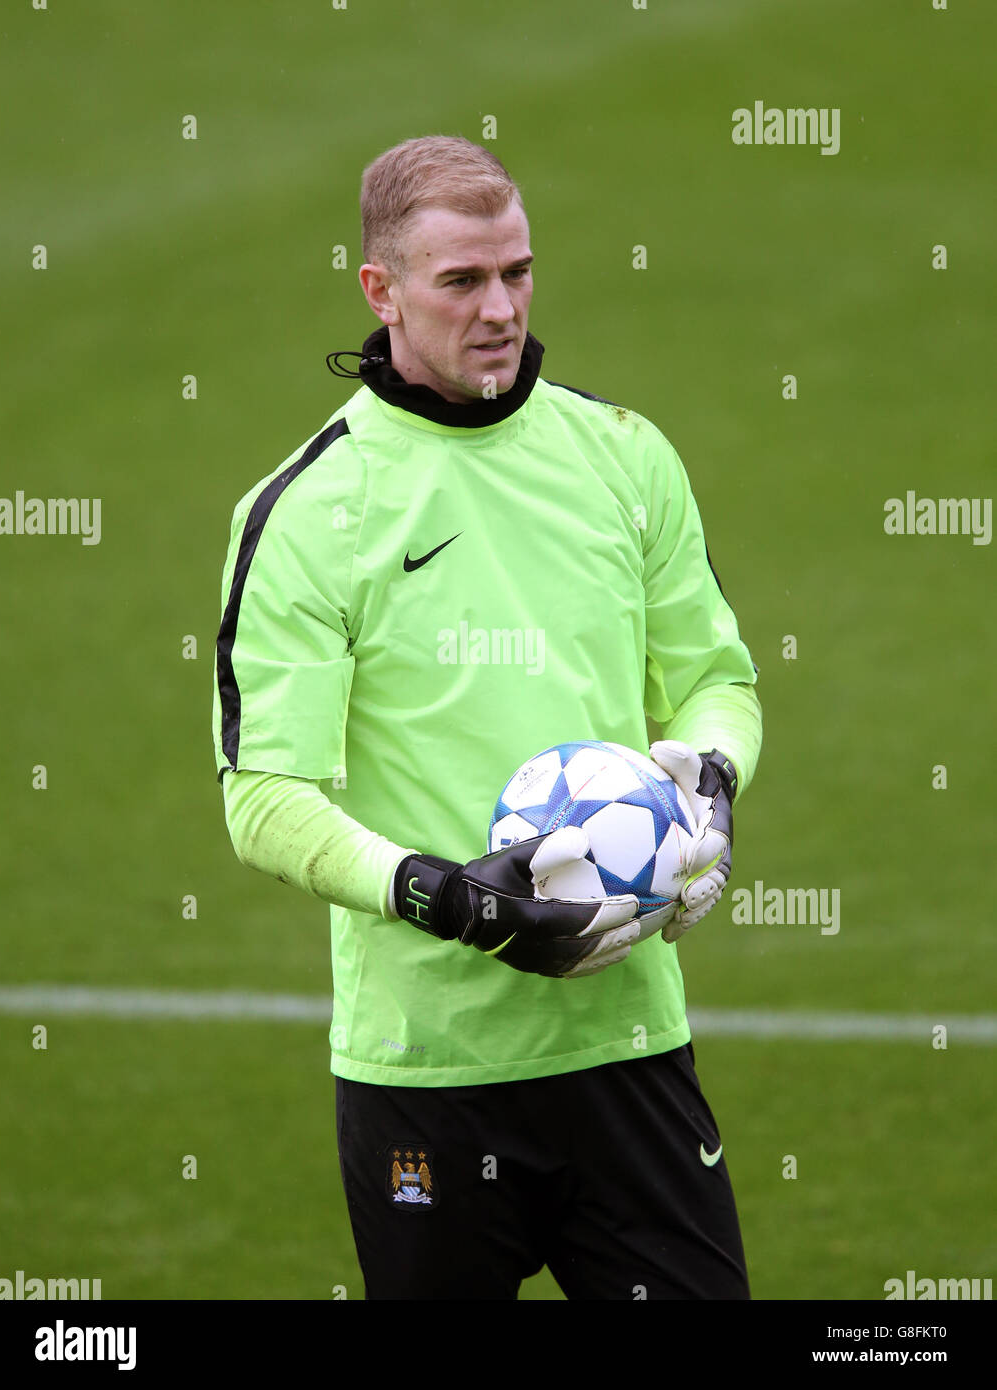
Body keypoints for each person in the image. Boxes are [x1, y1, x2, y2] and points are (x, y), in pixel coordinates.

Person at [212, 134, 762, 1300]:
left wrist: (709, 777)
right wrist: (441, 893)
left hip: (626, 1047)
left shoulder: (621, 456)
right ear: (381, 289)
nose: (501, 308)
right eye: (462, 281)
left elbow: (717, 674)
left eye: (516, 272)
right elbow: (263, 799)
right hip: (427, 1071)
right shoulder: (310, 512)